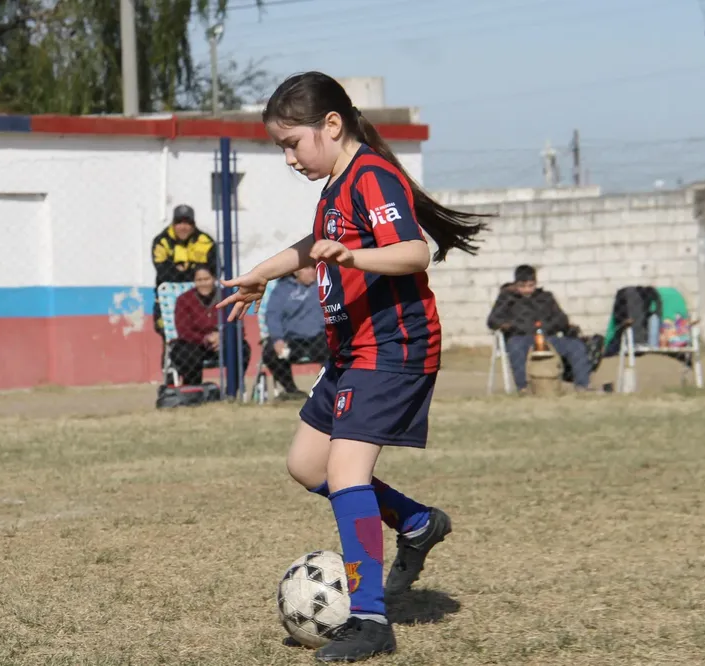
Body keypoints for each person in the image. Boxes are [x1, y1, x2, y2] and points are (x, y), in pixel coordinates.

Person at [217, 72, 488, 662]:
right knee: (306, 464)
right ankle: (416, 523)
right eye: (281, 147)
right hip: (354, 350)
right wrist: (261, 273)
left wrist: (354, 254)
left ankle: (369, 619)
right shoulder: (336, 186)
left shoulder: (372, 176)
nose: (289, 158)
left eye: (293, 144)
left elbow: (414, 250)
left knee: (346, 474)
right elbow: (312, 246)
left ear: (331, 125)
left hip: (394, 349)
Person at [486, 265, 592, 392]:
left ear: (535, 283)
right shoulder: (507, 298)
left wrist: (548, 326)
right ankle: (523, 388)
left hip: (548, 337)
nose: (527, 290)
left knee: (576, 346)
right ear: (516, 285)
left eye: (531, 286)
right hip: (521, 338)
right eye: (522, 286)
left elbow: (562, 319)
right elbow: (492, 320)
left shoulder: (546, 297)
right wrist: (510, 326)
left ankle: (582, 386)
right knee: (515, 346)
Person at [170, 265, 250, 386]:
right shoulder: (184, 299)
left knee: (243, 348)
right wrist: (205, 338)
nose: (203, 284)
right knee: (185, 352)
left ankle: (232, 391)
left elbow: (238, 327)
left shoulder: (227, 297)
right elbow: (183, 330)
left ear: (214, 279)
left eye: (206, 279)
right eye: (199, 280)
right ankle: (194, 391)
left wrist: (222, 336)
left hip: (222, 343)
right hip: (194, 343)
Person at [152, 204, 217, 346]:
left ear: (193, 225)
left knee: (204, 332)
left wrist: (181, 270)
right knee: (169, 338)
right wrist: (196, 270)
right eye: (179, 222)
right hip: (167, 300)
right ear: (173, 224)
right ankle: (169, 367)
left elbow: (214, 270)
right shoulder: (161, 242)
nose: (183, 227)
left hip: (201, 301)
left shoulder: (205, 242)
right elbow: (164, 273)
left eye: (187, 223)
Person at [262, 266, 328, 397]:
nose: (312, 271)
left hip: (319, 337)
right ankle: (292, 391)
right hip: (291, 339)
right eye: (307, 268)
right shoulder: (281, 290)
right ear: (296, 271)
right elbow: (273, 316)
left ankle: (324, 389)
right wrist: (277, 339)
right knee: (270, 353)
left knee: (337, 349)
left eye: (314, 268)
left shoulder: (323, 286)